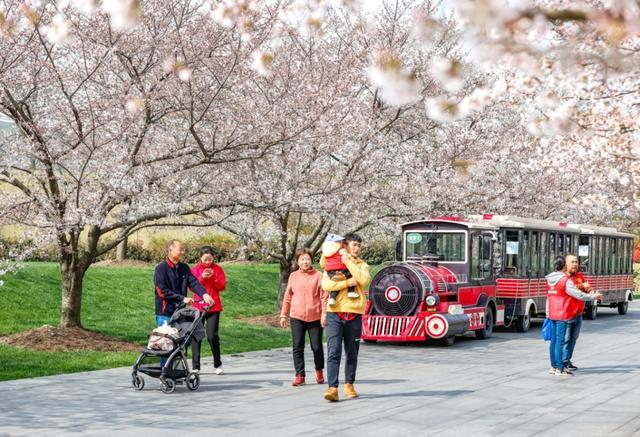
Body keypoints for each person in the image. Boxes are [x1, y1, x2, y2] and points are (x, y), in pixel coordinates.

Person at [322, 233, 371, 402]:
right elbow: (326, 285)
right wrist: (347, 284)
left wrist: (348, 261)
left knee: (352, 352)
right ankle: (332, 387)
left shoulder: (362, 265)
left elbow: (363, 279)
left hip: (354, 313)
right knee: (333, 350)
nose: (356, 248)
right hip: (334, 312)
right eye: (353, 244)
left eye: (358, 245)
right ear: (345, 245)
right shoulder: (332, 263)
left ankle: (349, 383)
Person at [546, 255, 601, 376]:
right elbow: (577, 294)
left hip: (570, 313)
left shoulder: (552, 278)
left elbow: (550, 297)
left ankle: (558, 365)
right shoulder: (564, 279)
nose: (575, 264)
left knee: (564, 340)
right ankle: (560, 366)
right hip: (565, 313)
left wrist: (590, 290)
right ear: (565, 265)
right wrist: (592, 296)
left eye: (577, 262)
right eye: (572, 262)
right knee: (561, 341)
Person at [280, 248, 327, 386]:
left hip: (315, 316)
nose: (305, 262)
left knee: (317, 346)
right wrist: (284, 314)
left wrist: (324, 314)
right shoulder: (293, 276)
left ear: (311, 260)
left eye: (307, 259)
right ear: (298, 261)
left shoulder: (319, 275)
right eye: (302, 259)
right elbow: (288, 296)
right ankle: (300, 374)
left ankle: (319, 370)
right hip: (297, 316)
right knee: (297, 346)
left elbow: (324, 297)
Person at [153, 239, 214, 328]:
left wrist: (204, 294)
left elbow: (193, 282)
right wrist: (182, 299)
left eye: (183, 249)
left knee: (181, 340)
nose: (183, 252)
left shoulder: (184, 267)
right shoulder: (161, 268)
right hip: (165, 313)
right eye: (180, 249)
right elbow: (162, 292)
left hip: (181, 312)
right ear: (171, 251)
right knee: (165, 340)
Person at [191, 246, 227, 375]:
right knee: (196, 336)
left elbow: (222, 286)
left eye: (210, 259)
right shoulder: (195, 270)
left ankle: (218, 363)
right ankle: (196, 366)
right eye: (205, 259)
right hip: (198, 306)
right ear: (200, 258)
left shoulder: (218, 269)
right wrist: (202, 277)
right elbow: (193, 287)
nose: (207, 262)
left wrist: (212, 277)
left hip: (214, 307)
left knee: (212, 336)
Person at [321, 234, 358, 306]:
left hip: (330, 271)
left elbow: (322, 264)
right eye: (340, 241)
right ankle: (351, 292)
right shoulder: (340, 250)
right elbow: (346, 256)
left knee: (336, 283)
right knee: (351, 275)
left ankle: (332, 298)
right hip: (340, 268)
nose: (341, 243)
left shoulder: (325, 252)